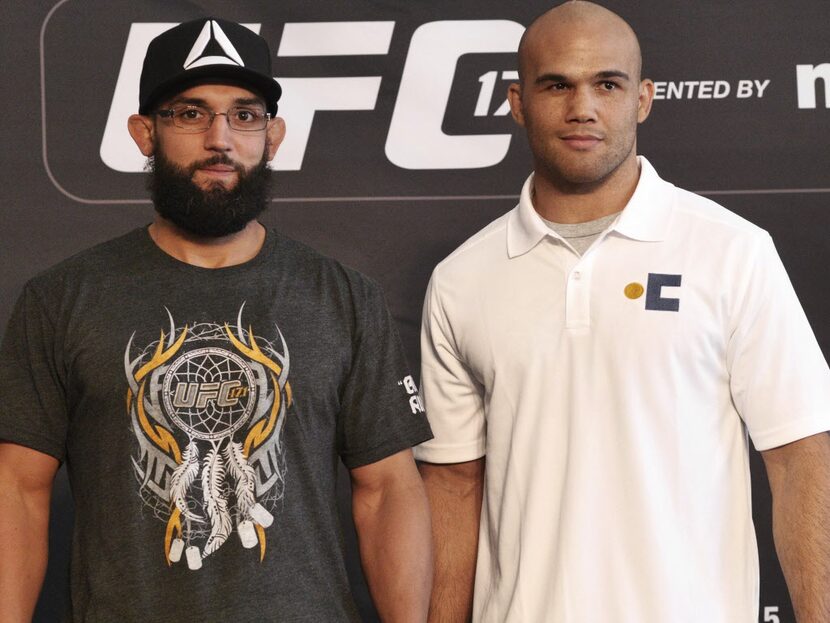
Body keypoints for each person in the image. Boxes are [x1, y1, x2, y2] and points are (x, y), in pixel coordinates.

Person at [0, 17, 433, 622]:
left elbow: (388, 491)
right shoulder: (62, 299)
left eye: (245, 115)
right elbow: (17, 492)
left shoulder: (343, 297)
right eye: (189, 113)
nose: (220, 139)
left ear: (273, 135)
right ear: (144, 132)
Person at [415, 2, 830, 622]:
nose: (582, 106)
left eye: (606, 83)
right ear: (517, 101)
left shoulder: (732, 251)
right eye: (557, 84)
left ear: (643, 99)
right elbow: (453, 486)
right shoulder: (460, 280)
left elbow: (802, 457)